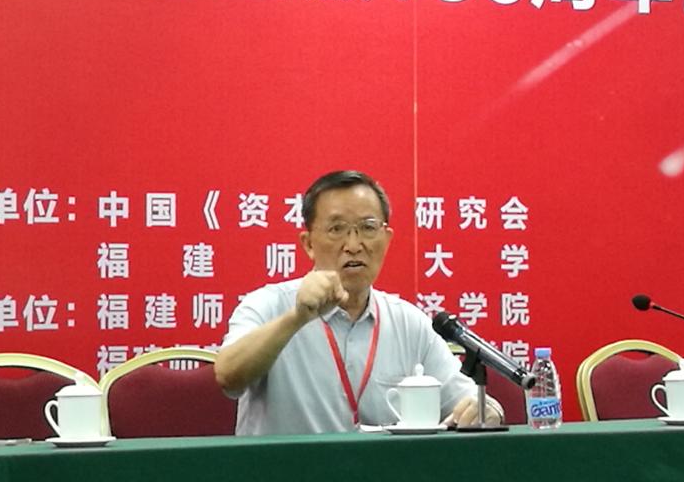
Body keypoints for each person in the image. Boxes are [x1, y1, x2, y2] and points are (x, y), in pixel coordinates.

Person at [215, 170, 503, 434]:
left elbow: (467, 400)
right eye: (337, 229)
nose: (353, 245)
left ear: (386, 239)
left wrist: (487, 410)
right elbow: (227, 376)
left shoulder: (409, 323)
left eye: (367, 228)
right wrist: (297, 318)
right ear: (308, 244)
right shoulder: (268, 305)